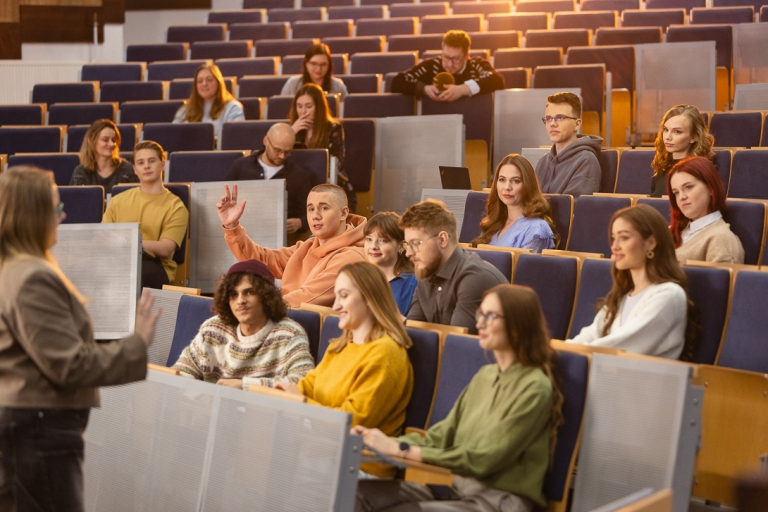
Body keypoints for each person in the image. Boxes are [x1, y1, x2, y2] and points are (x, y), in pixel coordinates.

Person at [0, 166, 160, 512]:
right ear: (33, 216)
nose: (63, 216)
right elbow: (69, 365)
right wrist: (138, 342)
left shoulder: (11, 269)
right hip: (37, 431)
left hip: (26, 428)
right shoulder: (31, 277)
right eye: (56, 208)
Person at [354, 284, 564, 512]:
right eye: (480, 314)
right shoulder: (485, 375)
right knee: (355, 493)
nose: (480, 323)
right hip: (457, 490)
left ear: (517, 325)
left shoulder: (535, 387)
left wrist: (402, 450)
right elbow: (440, 437)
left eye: (490, 316)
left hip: (498, 502)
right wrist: (381, 443)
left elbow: (485, 460)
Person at [274, 261, 414, 477]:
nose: (336, 305)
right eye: (336, 296)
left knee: (270, 469)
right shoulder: (338, 346)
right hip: (320, 453)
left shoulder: (386, 352)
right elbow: (306, 387)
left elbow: (353, 424)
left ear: (370, 298)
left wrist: (301, 403)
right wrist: (287, 393)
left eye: (344, 296)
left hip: (359, 467)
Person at [567, 204, 698, 361]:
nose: (614, 247)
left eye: (624, 238)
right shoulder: (622, 296)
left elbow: (619, 347)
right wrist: (558, 351)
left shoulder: (670, 294)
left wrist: (567, 356)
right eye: (613, 238)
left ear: (651, 242)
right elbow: (591, 334)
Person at [217, 182, 366, 307]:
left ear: (343, 213)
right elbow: (260, 261)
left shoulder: (352, 257)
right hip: (285, 319)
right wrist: (232, 227)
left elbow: (308, 297)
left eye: (324, 208)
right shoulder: (307, 246)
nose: (315, 216)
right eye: (311, 209)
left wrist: (259, 306)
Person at [173, 259, 314, 390]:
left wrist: (245, 386)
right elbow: (182, 371)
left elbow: (302, 381)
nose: (240, 301)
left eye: (249, 292)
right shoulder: (213, 329)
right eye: (234, 294)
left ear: (267, 296)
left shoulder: (290, 333)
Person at [401, 200, 507, 334]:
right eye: (407, 244)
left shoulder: (474, 278)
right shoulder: (426, 272)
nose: (408, 253)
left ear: (442, 240)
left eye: (416, 243)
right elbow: (414, 333)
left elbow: (457, 343)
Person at [102, 140, 189, 289]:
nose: (146, 166)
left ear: (162, 165)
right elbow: (103, 237)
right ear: (135, 169)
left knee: (127, 275)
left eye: (152, 161)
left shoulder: (176, 206)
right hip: (116, 259)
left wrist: (125, 242)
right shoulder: (117, 201)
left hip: (156, 266)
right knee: (78, 271)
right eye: (141, 163)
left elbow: (165, 248)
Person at [226, 122, 313, 237]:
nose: (282, 156)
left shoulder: (299, 176)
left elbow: (310, 214)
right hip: (243, 232)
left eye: (287, 152)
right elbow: (224, 199)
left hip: (280, 237)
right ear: (266, 141)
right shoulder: (241, 166)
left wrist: (299, 223)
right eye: (277, 150)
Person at [289, 83, 357, 212]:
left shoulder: (333, 128)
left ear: (318, 107)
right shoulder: (292, 131)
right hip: (299, 187)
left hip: (328, 185)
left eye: (308, 106)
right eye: (299, 106)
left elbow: (337, 164)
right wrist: (291, 133)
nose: (303, 111)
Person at [472, 153, 558, 252]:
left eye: (516, 181)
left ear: (528, 185)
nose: (507, 187)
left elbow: (524, 262)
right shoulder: (493, 223)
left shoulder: (537, 228)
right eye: (502, 180)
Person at [668, 156, 744, 264]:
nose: (681, 197)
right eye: (676, 192)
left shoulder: (721, 238)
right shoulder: (671, 232)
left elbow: (721, 276)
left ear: (710, 188)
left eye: (688, 187)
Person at [391, 30, 504, 102]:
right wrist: (424, 89)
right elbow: (397, 82)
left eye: (456, 59)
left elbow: (497, 79)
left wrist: (463, 89)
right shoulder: (431, 65)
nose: (449, 64)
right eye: (446, 57)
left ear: (467, 56)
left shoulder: (476, 64)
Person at [535, 92, 602, 197]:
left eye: (560, 118)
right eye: (548, 118)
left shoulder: (587, 161)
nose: (552, 124)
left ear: (577, 124)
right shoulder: (542, 162)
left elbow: (573, 205)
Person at [650, 104, 714, 198]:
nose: (668, 137)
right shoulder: (661, 169)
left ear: (694, 137)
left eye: (677, 132)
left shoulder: (700, 171)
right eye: (666, 130)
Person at [364, 212, 417, 316]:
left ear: (401, 246)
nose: (373, 246)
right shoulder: (359, 278)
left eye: (383, 240)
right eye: (369, 239)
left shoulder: (413, 283)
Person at [173, 63, 245, 138]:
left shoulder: (233, 108)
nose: (204, 84)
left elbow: (235, 138)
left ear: (218, 83)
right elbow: (174, 136)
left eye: (209, 80)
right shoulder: (185, 111)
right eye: (200, 81)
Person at [70, 119, 138, 194]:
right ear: (91, 140)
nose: (111, 144)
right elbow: (75, 199)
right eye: (105, 140)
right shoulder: (81, 172)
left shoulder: (128, 169)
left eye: (113, 140)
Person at [280, 43, 348, 100]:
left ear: (329, 65)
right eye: (314, 64)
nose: (318, 69)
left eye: (323, 64)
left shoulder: (338, 86)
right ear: (306, 64)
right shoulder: (292, 84)